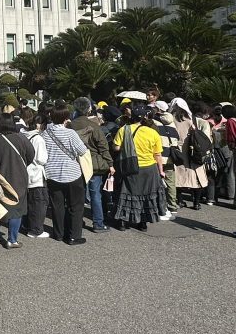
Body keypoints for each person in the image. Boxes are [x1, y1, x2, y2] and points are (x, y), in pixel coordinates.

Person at [112, 105, 167, 231]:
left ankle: (122, 222)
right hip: (149, 169)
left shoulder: (124, 130)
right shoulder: (153, 132)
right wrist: (161, 171)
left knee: (127, 193)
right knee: (146, 195)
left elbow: (115, 147)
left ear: (132, 117)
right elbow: (157, 154)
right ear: (145, 118)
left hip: (130, 167)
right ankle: (143, 222)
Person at [0, 112, 35, 248]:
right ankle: (12, 239)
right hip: (18, 177)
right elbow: (31, 155)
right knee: (16, 208)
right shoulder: (21, 138)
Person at [42, 104, 89, 244]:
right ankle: (74, 235)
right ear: (66, 118)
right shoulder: (70, 133)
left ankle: (59, 233)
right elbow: (82, 151)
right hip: (72, 174)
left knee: (57, 206)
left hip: (52, 174)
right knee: (75, 206)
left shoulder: (46, 134)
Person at [69, 97, 113, 233]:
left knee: (77, 195)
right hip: (94, 163)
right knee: (95, 194)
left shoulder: (70, 126)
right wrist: (110, 163)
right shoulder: (94, 126)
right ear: (89, 109)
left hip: (75, 163)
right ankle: (98, 223)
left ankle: (76, 221)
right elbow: (103, 146)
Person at [171, 97, 211, 210]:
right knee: (196, 178)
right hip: (193, 152)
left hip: (178, 152)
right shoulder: (193, 120)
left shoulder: (171, 120)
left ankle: (180, 201)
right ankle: (196, 203)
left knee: (178, 178)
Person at [23, 112, 50, 238]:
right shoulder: (38, 139)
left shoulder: (24, 135)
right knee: (39, 202)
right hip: (37, 174)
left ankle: (28, 225)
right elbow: (42, 159)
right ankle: (36, 230)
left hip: (27, 172)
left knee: (30, 202)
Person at [151, 102, 180, 220]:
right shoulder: (172, 122)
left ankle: (161, 206)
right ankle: (173, 206)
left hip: (159, 156)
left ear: (158, 109)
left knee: (158, 183)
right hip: (171, 156)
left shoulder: (154, 122)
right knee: (171, 182)